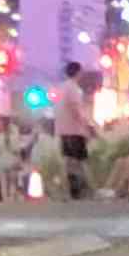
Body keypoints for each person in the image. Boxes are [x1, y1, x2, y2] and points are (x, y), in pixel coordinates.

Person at [50, 61, 99, 201]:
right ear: (78, 72)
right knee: (81, 161)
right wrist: (89, 126)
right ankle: (90, 190)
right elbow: (77, 111)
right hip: (75, 131)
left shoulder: (61, 88)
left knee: (68, 161)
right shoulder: (74, 89)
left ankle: (68, 191)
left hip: (63, 130)